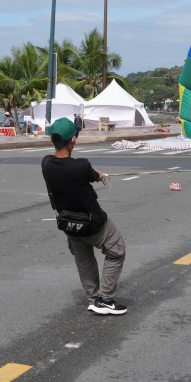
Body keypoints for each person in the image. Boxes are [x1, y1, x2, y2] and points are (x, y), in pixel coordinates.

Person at [41, 118, 127, 316]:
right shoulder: (81, 166)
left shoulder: (46, 163)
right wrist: (101, 176)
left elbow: (80, 172)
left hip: (68, 223)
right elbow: (91, 174)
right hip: (93, 223)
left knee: (84, 259)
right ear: (73, 139)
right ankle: (105, 299)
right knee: (117, 251)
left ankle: (93, 298)